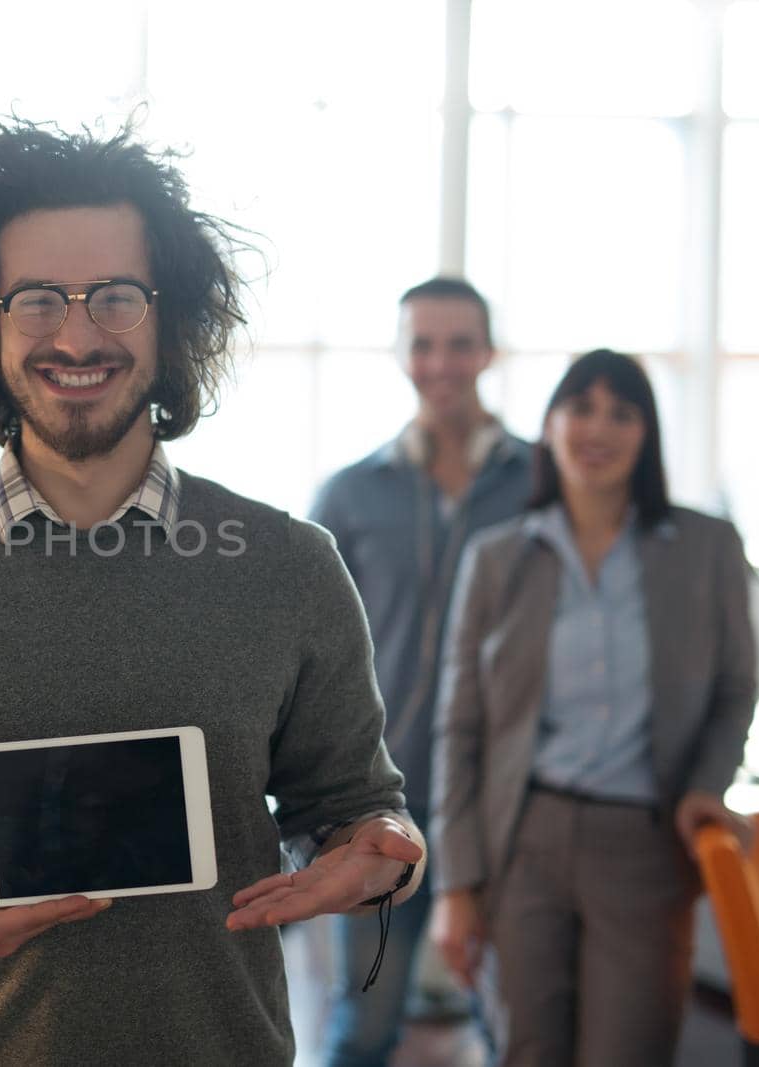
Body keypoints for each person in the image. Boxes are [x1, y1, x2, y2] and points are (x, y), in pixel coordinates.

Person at [0, 118, 427, 1067]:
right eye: (36, 300)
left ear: (172, 314)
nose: (76, 335)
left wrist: (379, 850)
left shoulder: (291, 566)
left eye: (115, 297)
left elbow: (355, 803)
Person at [429, 349, 757, 1066]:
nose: (598, 427)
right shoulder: (496, 558)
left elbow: (734, 690)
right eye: (581, 406)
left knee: (630, 1050)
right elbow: (460, 729)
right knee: (529, 1048)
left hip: (643, 841)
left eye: (622, 411)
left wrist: (707, 783)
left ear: (647, 434)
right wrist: (458, 882)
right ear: (548, 425)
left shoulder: (705, 548)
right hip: (524, 839)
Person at [308, 277, 532, 1067]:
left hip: (511, 801)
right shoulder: (349, 494)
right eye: (424, 344)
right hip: (381, 801)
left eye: (460, 343)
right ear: (402, 354)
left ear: (488, 352)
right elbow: (316, 659)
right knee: (362, 1024)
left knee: (519, 1028)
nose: (443, 363)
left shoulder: (543, 483)